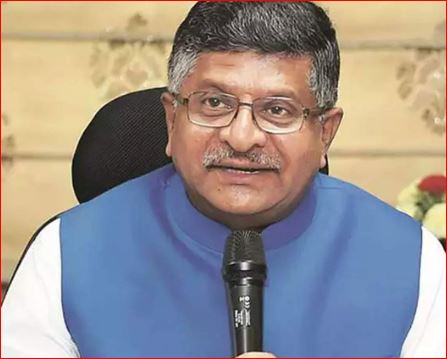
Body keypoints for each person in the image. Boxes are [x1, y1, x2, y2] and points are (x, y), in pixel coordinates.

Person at [2, 2, 445, 358]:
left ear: (325, 132)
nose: (242, 136)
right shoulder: (64, 255)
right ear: (172, 118)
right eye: (214, 102)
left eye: (278, 110)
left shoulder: (413, 262)